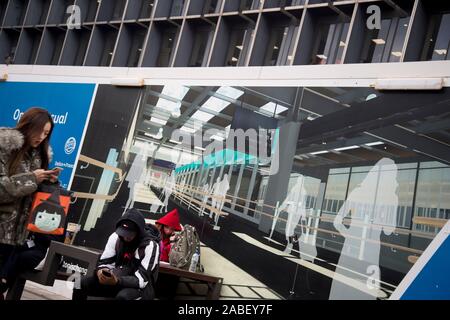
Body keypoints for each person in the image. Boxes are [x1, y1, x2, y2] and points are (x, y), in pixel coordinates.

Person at [0, 108, 60, 300]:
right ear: (29, 125)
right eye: (40, 131)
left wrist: (48, 183)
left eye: (47, 134)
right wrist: (32, 178)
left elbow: (31, 197)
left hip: (18, 238)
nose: (42, 137)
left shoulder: (40, 156)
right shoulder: (4, 146)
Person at [72, 208, 161, 300]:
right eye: (123, 233)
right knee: (79, 283)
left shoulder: (150, 245)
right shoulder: (115, 237)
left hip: (140, 288)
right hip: (116, 281)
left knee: (123, 297)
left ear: (139, 232)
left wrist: (117, 281)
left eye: (129, 235)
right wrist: (102, 271)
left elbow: (142, 280)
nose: (125, 237)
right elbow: (105, 262)